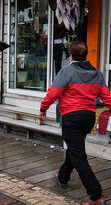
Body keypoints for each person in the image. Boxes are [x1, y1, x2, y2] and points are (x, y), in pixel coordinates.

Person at [39, 42, 111, 205]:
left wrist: (43, 108)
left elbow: (54, 92)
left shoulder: (67, 71)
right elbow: (107, 96)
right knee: (75, 147)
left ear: (70, 56)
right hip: (89, 118)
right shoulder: (97, 73)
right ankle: (63, 177)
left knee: (79, 156)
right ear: (85, 56)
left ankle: (96, 195)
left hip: (72, 117)